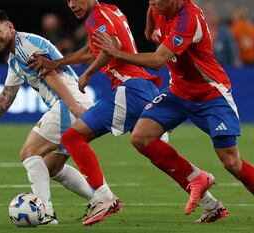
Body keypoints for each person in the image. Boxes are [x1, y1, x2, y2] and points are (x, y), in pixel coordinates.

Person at [29, 0, 228, 225]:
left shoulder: (96, 16)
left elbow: (111, 45)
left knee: (73, 137)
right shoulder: (111, 10)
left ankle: (104, 198)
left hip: (130, 88)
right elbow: (90, 50)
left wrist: (89, 73)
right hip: (144, 87)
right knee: (153, 149)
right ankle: (210, 201)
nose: (73, 4)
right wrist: (58, 63)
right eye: (68, 1)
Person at [93, 0, 254, 225]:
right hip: (179, 92)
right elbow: (149, 34)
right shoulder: (160, 8)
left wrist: (115, 53)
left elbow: (157, 61)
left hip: (211, 95)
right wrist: (151, 7)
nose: (154, 3)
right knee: (140, 137)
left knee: (231, 162)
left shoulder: (188, 19)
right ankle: (197, 177)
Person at [0, 9, 95, 225]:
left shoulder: (27, 47)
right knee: (50, 168)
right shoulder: (14, 57)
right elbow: (8, 94)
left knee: (29, 153)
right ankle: (101, 200)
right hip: (73, 103)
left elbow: (53, 76)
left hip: (68, 103)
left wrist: (73, 107)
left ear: (10, 27)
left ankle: (45, 213)